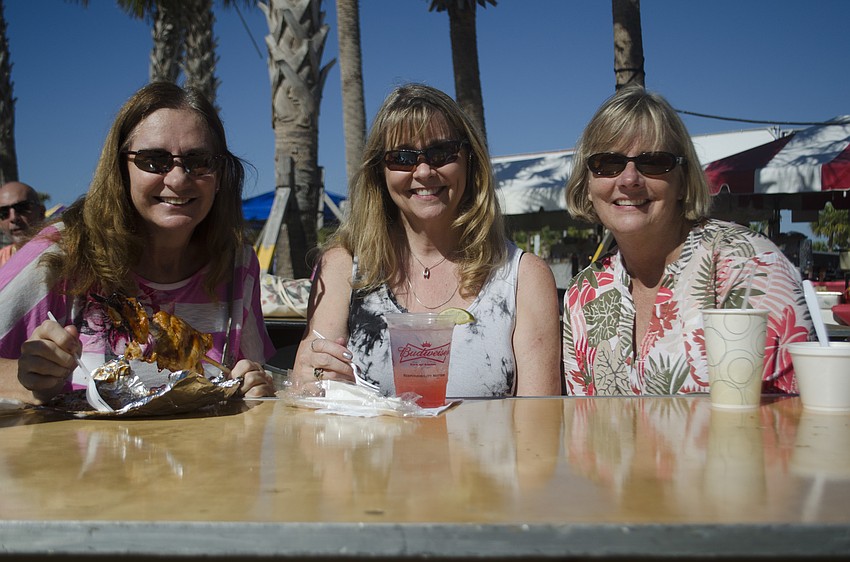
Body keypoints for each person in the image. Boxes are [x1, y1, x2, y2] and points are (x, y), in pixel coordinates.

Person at [0, 82, 275, 404]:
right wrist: (29, 382)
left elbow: (253, 372)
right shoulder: (61, 251)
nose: (177, 179)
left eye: (198, 160)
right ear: (120, 168)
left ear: (221, 174)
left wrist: (253, 383)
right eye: (153, 160)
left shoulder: (236, 264)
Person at [294, 83, 562, 397]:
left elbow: (537, 428)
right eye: (403, 157)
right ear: (380, 172)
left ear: (469, 161)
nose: (423, 171)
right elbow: (307, 393)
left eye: (441, 153)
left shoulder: (523, 277)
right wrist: (311, 380)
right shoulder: (342, 268)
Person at [562, 86, 813, 396]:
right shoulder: (584, 293)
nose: (629, 179)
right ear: (587, 184)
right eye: (607, 163)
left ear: (682, 182)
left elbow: (791, 419)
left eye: (653, 162)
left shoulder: (748, 266)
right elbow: (584, 425)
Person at [0, 181, 45, 267]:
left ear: (41, 212)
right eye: (3, 212)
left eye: (22, 207)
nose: (13, 218)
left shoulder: (65, 254)